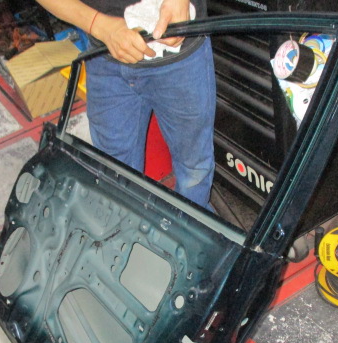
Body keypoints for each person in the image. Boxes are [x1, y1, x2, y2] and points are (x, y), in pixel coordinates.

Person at [34, 0, 215, 208]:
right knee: (114, 172)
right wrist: (98, 25)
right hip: (105, 56)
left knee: (194, 168)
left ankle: (192, 224)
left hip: (182, 56)